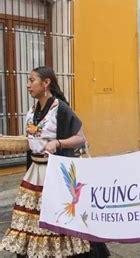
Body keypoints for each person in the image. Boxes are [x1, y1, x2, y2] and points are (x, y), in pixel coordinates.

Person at [0, 66, 109, 257]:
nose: (28, 85)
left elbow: (80, 138)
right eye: (28, 80)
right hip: (35, 171)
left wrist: (58, 143)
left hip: (54, 172)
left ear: (46, 83)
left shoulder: (60, 109)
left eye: (32, 80)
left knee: (57, 214)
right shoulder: (33, 111)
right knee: (34, 217)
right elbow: (34, 139)